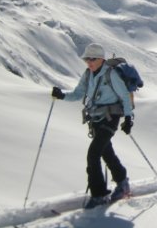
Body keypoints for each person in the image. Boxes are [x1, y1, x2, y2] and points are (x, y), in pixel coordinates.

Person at [51, 43, 133, 209]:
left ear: (101, 59)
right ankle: (122, 182)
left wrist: (129, 118)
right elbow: (78, 93)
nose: (89, 62)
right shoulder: (88, 74)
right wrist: (62, 96)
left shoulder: (110, 74)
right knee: (106, 152)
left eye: (92, 59)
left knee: (93, 154)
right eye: (87, 59)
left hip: (111, 118)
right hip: (95, 119)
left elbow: (125, 96)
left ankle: (99, 195)